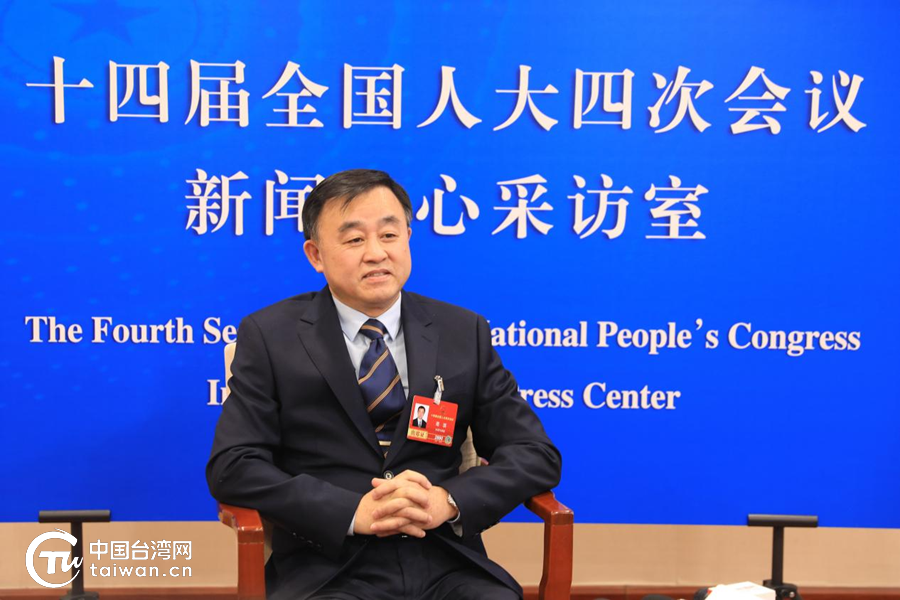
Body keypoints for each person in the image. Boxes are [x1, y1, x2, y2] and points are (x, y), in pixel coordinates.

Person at [206, 169, 561, 600]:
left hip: (446, 560)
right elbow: (234, 465)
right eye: (355, 239)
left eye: (390, 235)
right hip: (328, 567)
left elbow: (535, 453)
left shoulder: (462, 331)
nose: (376, 253)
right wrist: (351, 511)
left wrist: (448, 500)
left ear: (408, 238)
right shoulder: (270, 336)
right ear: (316, 255)